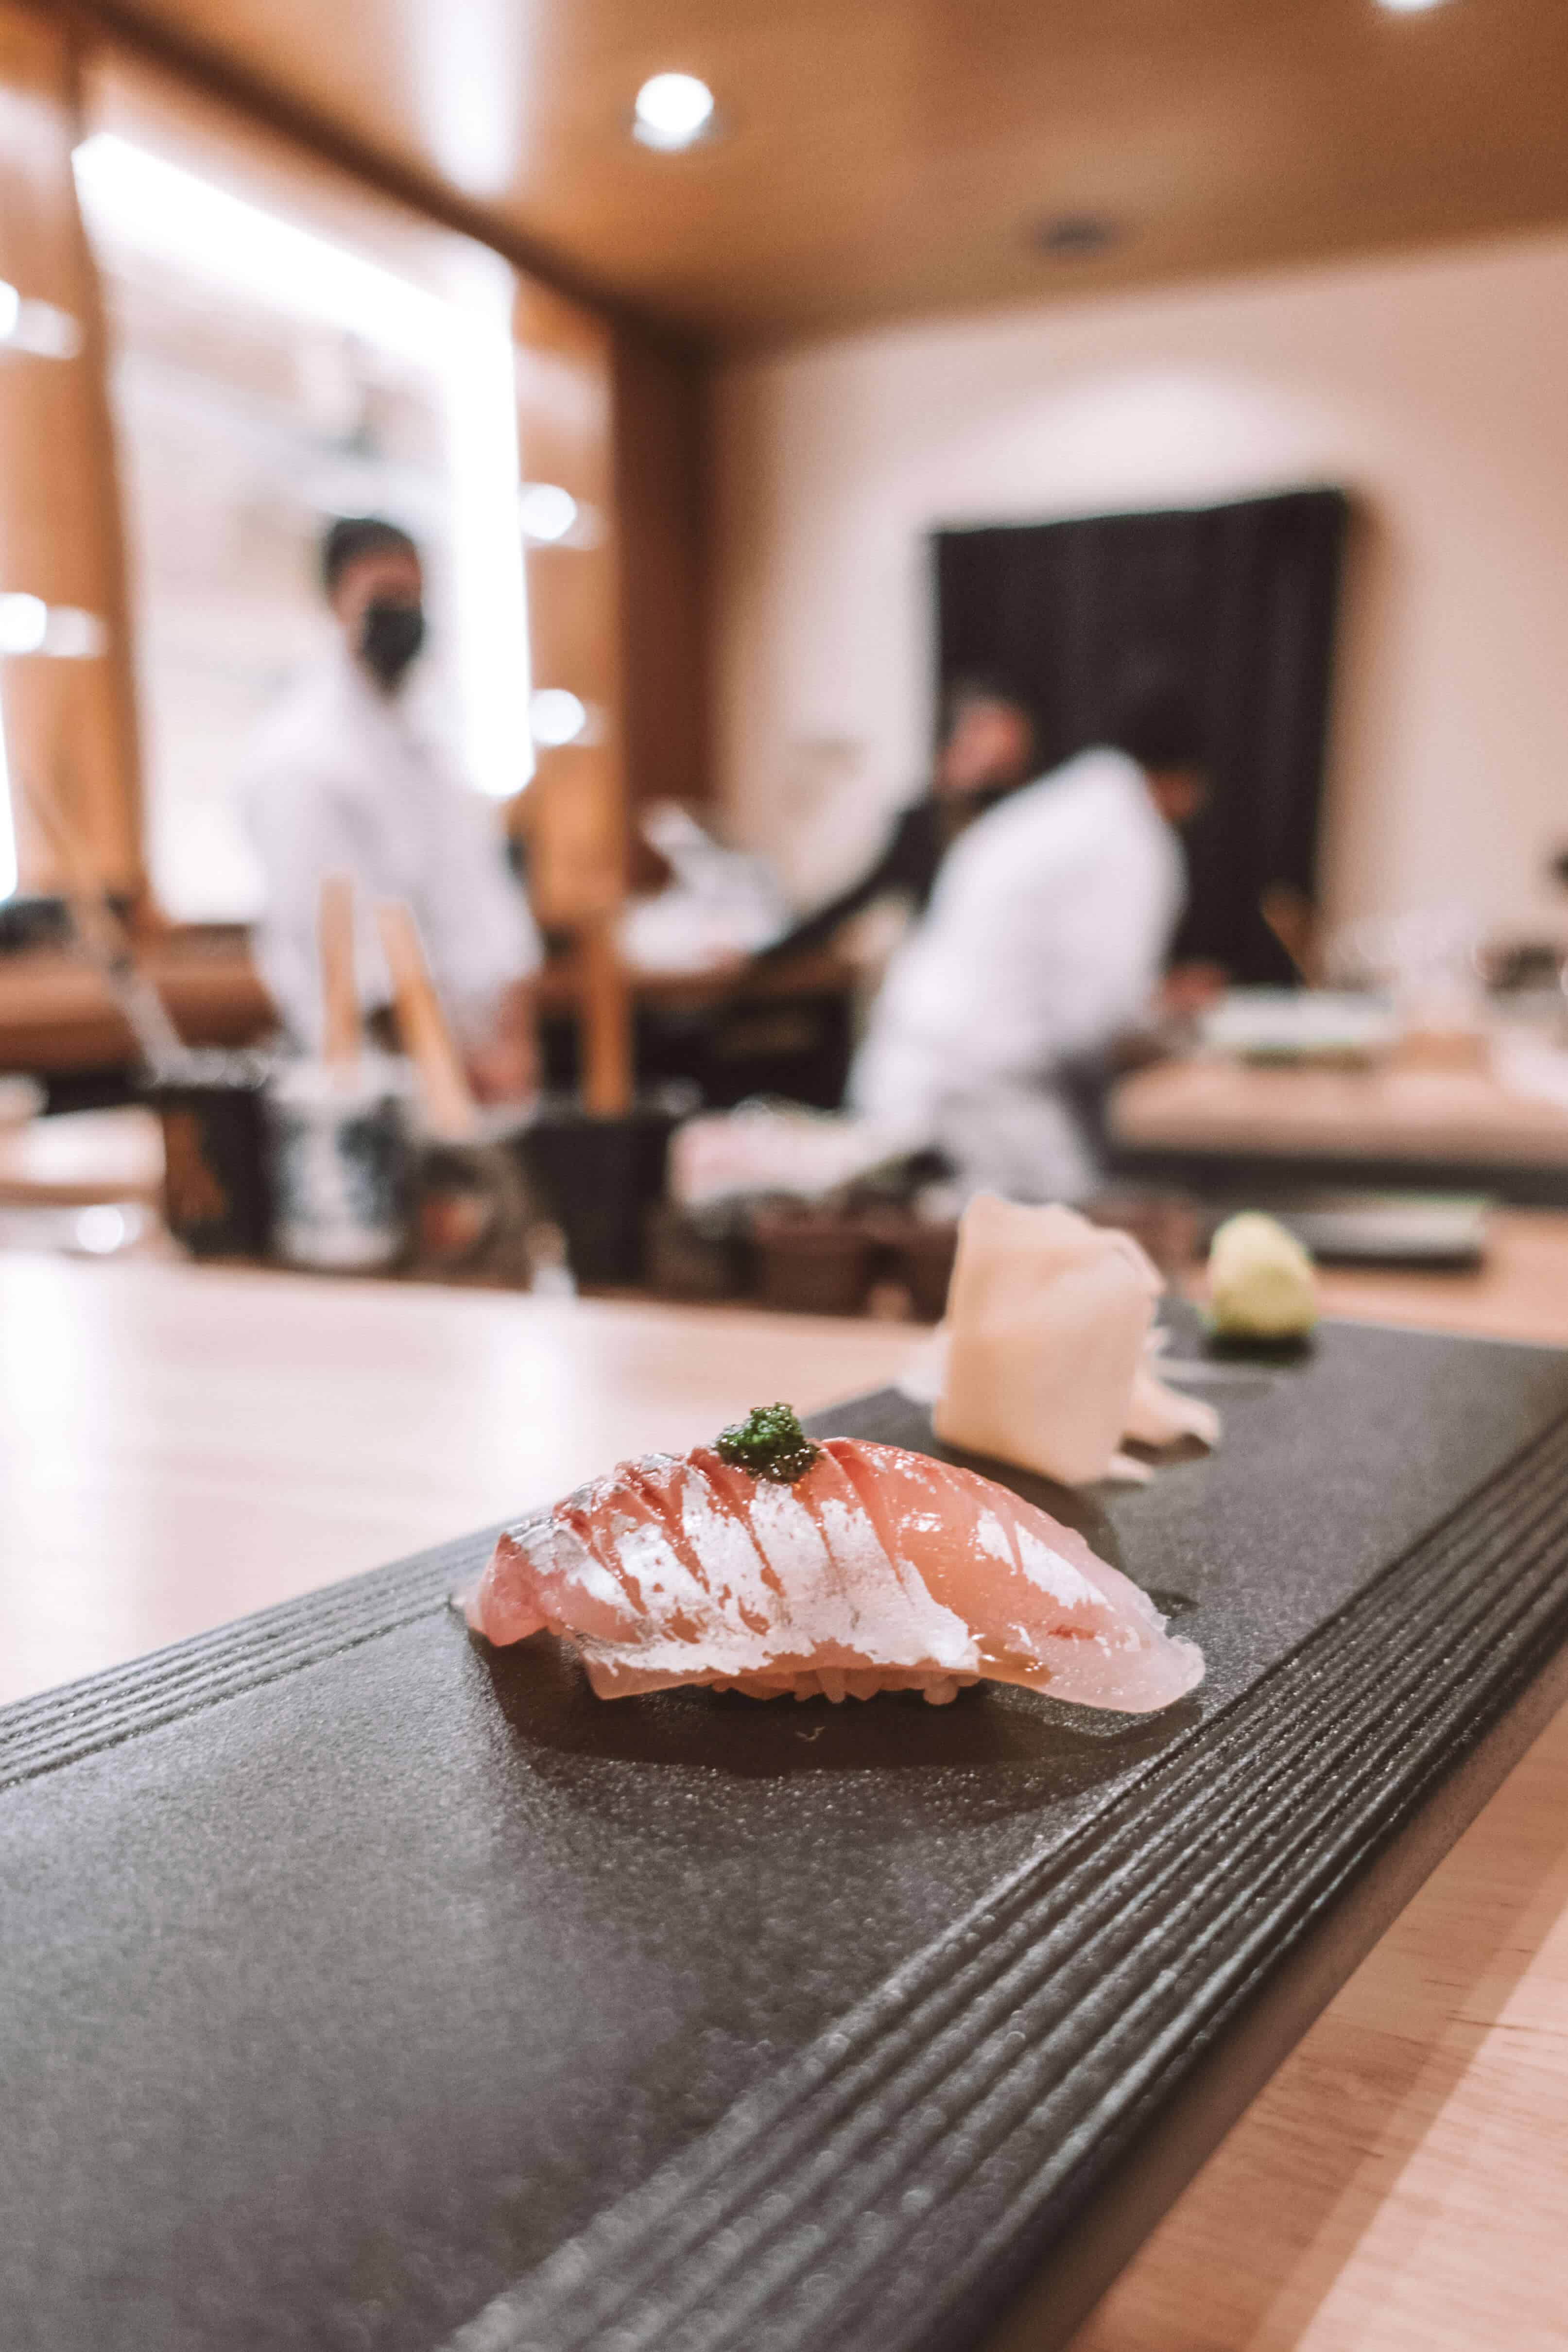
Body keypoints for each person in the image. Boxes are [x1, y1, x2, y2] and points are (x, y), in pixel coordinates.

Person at [849, 680, 1210, 1201]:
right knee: (1068, 1244)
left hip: (910, 1071)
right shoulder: (1132, 840)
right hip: (975, 1094)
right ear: (1188, 782)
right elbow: (1093, 1021)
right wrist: (1171, 1014)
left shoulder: (1062, 806)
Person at [241, 517, 541, 1102]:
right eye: (384, 597)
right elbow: (345, 954)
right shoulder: (300, 758)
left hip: (485, 1075)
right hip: (381, 1081)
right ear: (334, 601)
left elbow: (490, 913)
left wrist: (512, 1045)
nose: (404, 614)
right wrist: (450, 1069)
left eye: (416, 597)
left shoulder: (428, 748)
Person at [753, 677, 1038, 965]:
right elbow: (854, 901)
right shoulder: (923, 825)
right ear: (950, 749)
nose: (996, 761)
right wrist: (761, 956)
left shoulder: (1028, 827)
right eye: (979, 741)